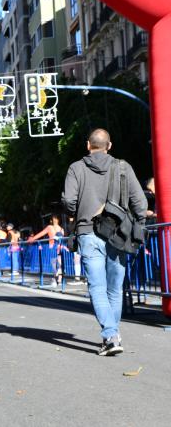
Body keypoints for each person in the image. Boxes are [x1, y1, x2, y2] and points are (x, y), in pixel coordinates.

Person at [61, 128, 147, 356]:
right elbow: (140, 202)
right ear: (109, 146)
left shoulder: (76, 168)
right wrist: (137, 221)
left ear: (88, 145)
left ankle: (110, 336)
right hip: (118, 234)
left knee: (97, 288)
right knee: (114, 289)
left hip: (88, 232)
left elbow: (69, 201)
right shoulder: (123, 167)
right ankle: (112, 335)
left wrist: (76, 211)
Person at [27, 214, 64, 287]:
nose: (54, 220)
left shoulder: (50, 227)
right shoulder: (61, 229)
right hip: (59, 247)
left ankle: (55, 280)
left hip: (53, 247)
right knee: (59, 264)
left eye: (54, 219)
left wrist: (32, 239)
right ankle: (59, 280)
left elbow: (40, 234)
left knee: (54, 264)